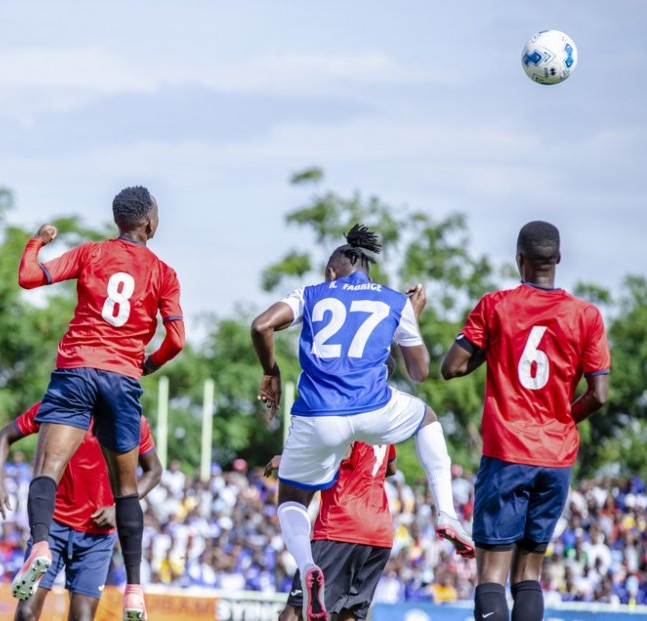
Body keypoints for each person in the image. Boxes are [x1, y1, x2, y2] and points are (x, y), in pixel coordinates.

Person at [251, 225, 474, 621]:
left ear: (331, 272)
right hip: (374, 410)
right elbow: (419, 372)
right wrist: (409, 318)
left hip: (318, 415)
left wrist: (271, 372)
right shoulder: (394, 301)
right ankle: (447, 514)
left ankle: (308, 567)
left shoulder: (312, 293)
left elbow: (261, 325)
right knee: (426, 418)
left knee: (292, 500)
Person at [14, 186, 185, 620]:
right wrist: (149, 363)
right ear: (150, 224)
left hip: (76, 368)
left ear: (117, 221)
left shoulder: (91, 253)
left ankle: (39, 545)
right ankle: (134, 590)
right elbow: (177, 340)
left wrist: (37, 242)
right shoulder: (163, 273)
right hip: (122, 377)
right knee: (126, 489)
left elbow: (29, 278)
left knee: (47, 469)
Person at [440, 221, 610, 621]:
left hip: (507, 452)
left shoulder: (496, 306)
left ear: (520, 260)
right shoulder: (587, 315)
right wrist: (563, 420)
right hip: (555, 457)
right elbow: (599, 395)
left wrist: (493, 345)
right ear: (559, 258)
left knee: (491, 574)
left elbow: (451, 368)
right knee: (529, 573)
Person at [0, 402, 163, 621]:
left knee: (82, 618)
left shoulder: (133, 420)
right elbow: (5, 435)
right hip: (52, 527)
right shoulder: (59, 404)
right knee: (26, 613)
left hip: (96, 537)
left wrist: (118, 508)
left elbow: (154, 470)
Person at [267, 441, 397, 621]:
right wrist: (363, 474)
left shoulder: (350, 422)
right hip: (380, 532)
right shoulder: (383, 427)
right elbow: (391, 468)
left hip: (341, 527)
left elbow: (344, 452)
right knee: (349, 614)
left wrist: (290, 459)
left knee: (294, 614)